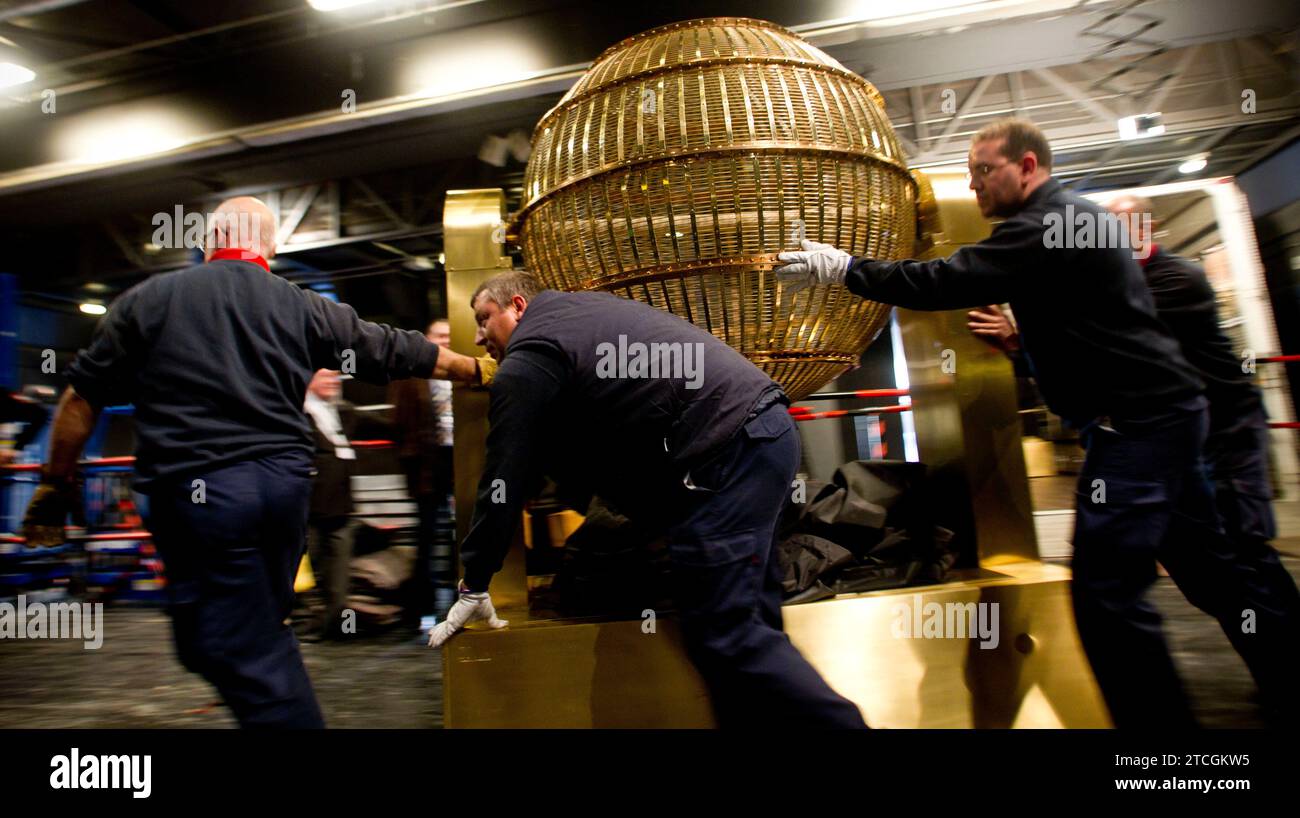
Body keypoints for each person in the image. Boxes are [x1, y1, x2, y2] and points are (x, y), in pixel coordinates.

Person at [775, 118, 1300, 727]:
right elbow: (1092, 326)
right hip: (1161, 421)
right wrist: (1024, 341)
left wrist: (841, 269)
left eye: (984, 171)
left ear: (1027, 166)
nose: (974, 187)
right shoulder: (1070, 221)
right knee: (1216, 572)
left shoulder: (1046, 224)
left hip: (1138, 430)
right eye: (969, 174)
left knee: (1107, 597)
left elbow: (944, 279)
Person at [22, 196, 481, 728]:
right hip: (284, 495)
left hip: (203, 497)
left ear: (205, 241)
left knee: (236, 647)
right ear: (272, 246)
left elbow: (80, 399)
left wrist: (53, 486)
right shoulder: (301, 305)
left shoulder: (149, 300)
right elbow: (393, 348)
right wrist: (477, 368)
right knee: (242, 634)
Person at [426, 271, 867, 729]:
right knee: (752, 624)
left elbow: (503, 477)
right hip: (766, 434)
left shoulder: (530, 355)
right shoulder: (582, 313)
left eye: (483, 319)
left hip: (725, 455)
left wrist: (475, 580)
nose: (478, 338)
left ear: (517, 306)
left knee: (727, 635)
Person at [389, 318, 456, 629]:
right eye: (439, 336)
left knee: (462, 531)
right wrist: (412, 465)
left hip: (457, 458)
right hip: (428, 465)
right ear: (428, 340)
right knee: (427, 534)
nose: (445, 340)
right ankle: (420, 607)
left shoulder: (460, 372)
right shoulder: (413, 374)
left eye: (449, 335)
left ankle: (462, 598)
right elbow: (401, 423)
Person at [303, 368, 361, 641]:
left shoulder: (344, 412)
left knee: (338, 578)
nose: (331, 382)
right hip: (308, 509)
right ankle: (306, 624)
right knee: (305, 573)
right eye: (324, 377)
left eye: (334, 377)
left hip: (341, 506)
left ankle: (333, 625)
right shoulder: (299, 414)